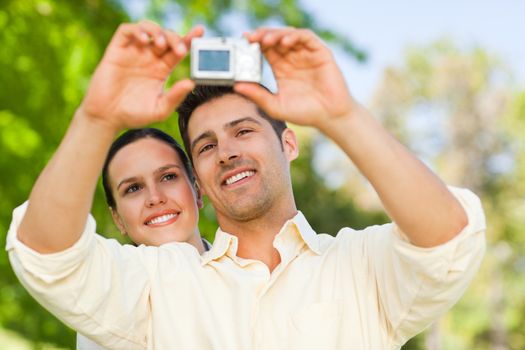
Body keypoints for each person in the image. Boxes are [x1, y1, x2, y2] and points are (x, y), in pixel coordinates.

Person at [6, 21, 486, 349]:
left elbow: (449, 242)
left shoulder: (360, 266)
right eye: (207, 145)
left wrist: (343, 117)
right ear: (199, 179)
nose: (228, 151)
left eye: (244, 131)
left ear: (289, 144)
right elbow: (48, 258)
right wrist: (97, 117)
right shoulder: (161, 282)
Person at [76, 127, 210, 349]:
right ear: (118, 218)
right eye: (133, 188)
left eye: (168, 177)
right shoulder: (107, 302)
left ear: (196, 190)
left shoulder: (249, 276)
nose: (155, 198)